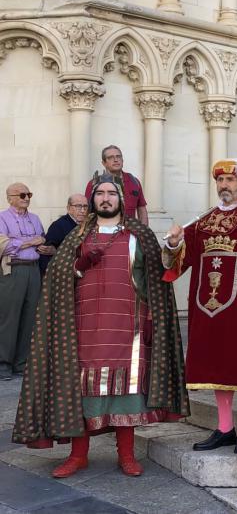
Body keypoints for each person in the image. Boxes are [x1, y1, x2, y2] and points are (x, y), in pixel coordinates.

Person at [13, 174, 189, 477]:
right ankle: (78, 455)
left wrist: (172, 249)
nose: (106, 198)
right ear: (92, 200)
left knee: (128, 391)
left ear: (121, 199)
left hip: (128, 326)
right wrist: (79, 266)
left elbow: (160, 275)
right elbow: (56, 278)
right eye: (100, 194)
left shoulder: (140, 235)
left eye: (111, 193)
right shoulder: (78, 236)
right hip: (82, 327)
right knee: (80, 390)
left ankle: (127, 455)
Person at [163, 158, 237, 454]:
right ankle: (225, 427)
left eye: (229, 180)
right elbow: (180, 262)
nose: (224, 186)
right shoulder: (203, 222)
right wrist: (175, 243)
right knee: (219, 365)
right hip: (209, 308)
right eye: (220, 181)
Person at [0, 183, 44, 381]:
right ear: (10, 197)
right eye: (22, 194)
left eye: (29, 194)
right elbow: (4, 245)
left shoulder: (35, 219)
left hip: (33, 270)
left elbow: (42, 239)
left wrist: (21, 242)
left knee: (29, 318)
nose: (27, 198)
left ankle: (21, 363)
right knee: (9, 318)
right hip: (13, 270)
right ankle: (3, 364)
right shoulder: (2, 217)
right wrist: (29, 242)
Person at [85, 145, 148, 225]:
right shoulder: (94, 184)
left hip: (130, 231)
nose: (115, 160)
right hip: (103, 232)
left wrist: (143, 233)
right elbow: (87, 212)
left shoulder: (134, 182)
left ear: (122, 160)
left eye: (118, 156)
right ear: (104, 163)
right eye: (110, 157)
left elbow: (141, 209)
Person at [38, 194, 89, 275]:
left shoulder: (89, 225)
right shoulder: (59, 225)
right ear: (68, 208)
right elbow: (46, 252)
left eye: (85, 206)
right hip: (64, 275)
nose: (83, 210)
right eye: (78, 206)